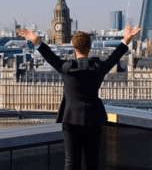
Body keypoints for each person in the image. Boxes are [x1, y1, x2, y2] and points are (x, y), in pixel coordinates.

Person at [17, 25, 140, 170]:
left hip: (71, 118)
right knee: (91, 162)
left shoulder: (67, 68)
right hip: (93, 118)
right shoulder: (98, 67)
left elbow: (51, 57)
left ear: (74, 48)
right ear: (90, 47)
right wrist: (126, 40)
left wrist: (36, 41)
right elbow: (114, 58)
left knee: (71, 162)